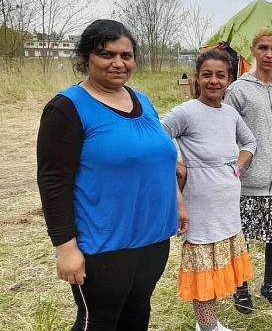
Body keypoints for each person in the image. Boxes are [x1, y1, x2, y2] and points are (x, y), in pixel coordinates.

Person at [36, 19, 187, 330]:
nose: (118, 63)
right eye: (107, 54)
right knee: (100, 321)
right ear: (86, 57)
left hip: (153, 238)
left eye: (126, 55)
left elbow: (159, 159)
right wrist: (65, 249)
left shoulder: (142, 100)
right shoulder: (67, 108)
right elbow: (54, 183)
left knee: (138, 314)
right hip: (104, 245)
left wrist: (178, 203)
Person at [162, 49, 256, 331]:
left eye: (220, 75)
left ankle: (210, 322)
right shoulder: (186, 112)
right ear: (197, 79)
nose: (214, 81)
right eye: (207, 75)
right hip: (200, 204)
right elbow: (155, 138)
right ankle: (207, 326)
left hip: (226, 204)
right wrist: (177, 165)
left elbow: (250, 143)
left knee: (217, 265)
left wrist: (237, 166)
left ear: (229, 79)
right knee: (203, 266)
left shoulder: (230, 113)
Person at [223, 28, 272, 311]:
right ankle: (241, 287)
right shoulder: (238, 90)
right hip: (247, 181)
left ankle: (269, 283)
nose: (269, 54)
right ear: (252, 51)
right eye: (263, 48)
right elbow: (227, 133)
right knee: (243, 237)